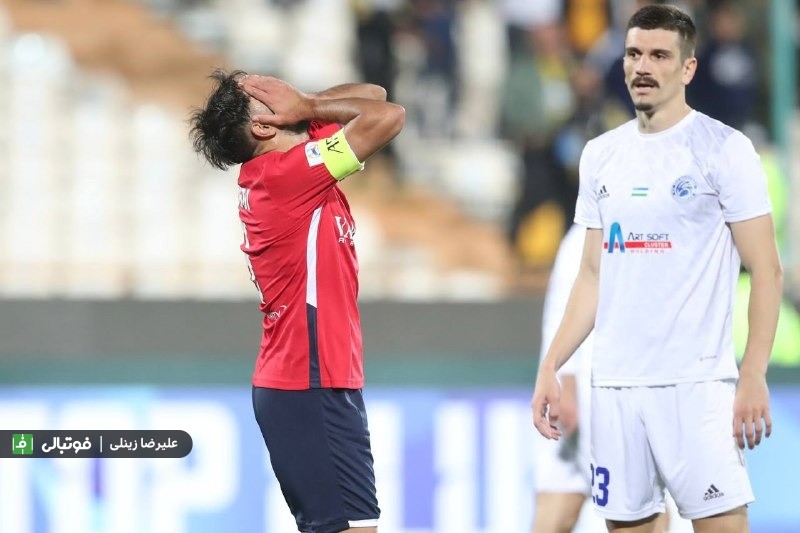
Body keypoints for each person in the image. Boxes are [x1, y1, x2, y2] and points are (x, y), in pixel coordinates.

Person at [531, 5, 782, 533]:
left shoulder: (725, 150)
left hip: (696, 387)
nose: (643, 66)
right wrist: (552, 364)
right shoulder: (601, 156)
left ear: (687, 69)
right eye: (634, 53)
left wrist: (753, 373)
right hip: (616, 390)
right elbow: (592, 275)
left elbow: (766, 270)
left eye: (660, 55)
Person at [189, 70, 405, 533]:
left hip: (316, 379)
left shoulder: (287, 159)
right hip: (308, 382)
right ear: (265, 128)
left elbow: (373, 94)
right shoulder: (287, 175)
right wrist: (306, 108)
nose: (279, 90)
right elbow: (388, 117)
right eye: (266, 97)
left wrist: (305, 102)